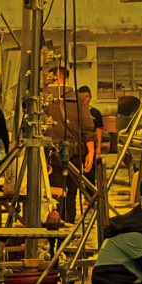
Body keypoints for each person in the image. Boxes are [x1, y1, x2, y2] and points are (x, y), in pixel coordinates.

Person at [45, 82, 97, 222]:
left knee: (56, 192)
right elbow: (88, 129)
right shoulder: (78, 100)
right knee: (71, 192)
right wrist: (91, 152)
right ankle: (69, 222)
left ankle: (56, 222)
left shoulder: (44, 97)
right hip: (73, 153)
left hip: (53, 154)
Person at [78, 85, 105, 161]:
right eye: (82, 97)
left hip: (91, 145)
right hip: (78, 146)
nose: (84, 99)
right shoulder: (75, 112)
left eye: (87, 96)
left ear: (90, 97)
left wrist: (98, 147)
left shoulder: (95, 112)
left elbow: (98, 131)